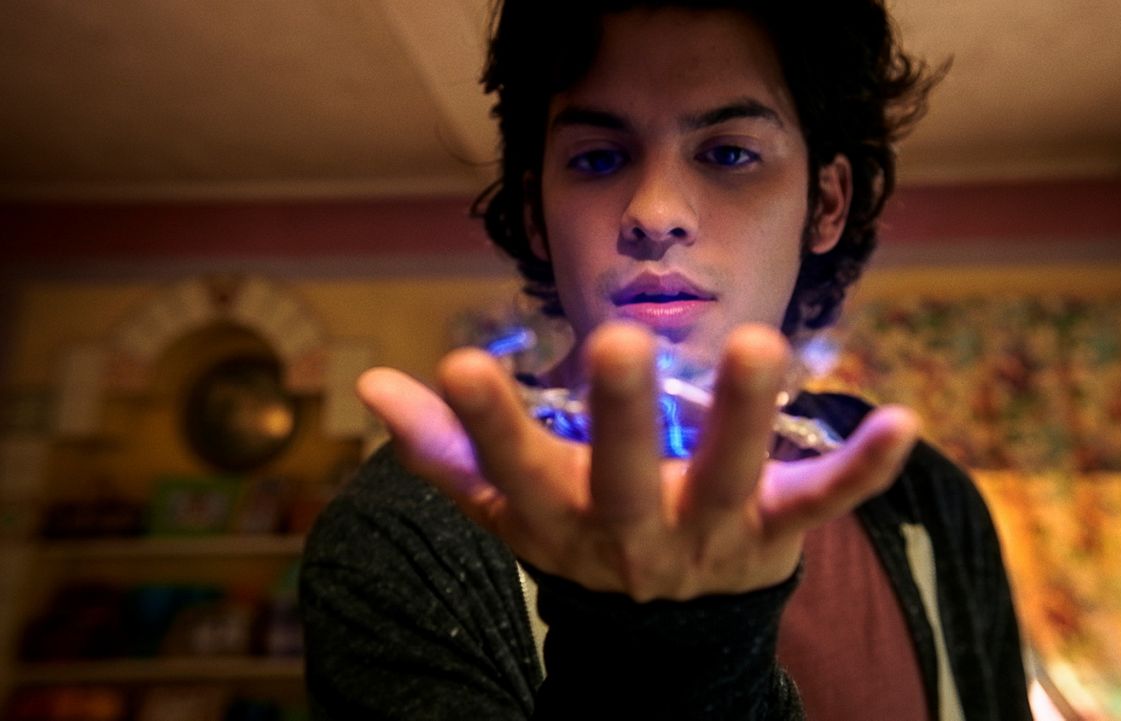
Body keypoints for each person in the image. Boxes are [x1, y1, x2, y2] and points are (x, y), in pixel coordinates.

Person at [300, 1, 1033, 719]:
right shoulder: (409, 524)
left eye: (729, 153)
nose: (654, 213)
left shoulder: (926, 499)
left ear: (826, 203)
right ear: (536, 214)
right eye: (598, 158)